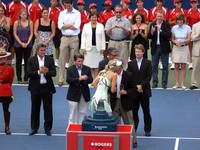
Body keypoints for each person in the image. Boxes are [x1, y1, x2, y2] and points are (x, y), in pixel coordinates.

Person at [27, 43, 56, 136]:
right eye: (41, 50)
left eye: (44, 50)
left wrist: (47, 72)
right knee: (35, 108)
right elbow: (28, 73)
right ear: (37, 51)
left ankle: (48, 128)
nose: (43, 52)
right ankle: (34, 128)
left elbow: (54, 72)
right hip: (35, 88)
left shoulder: (50, 59)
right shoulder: (31, 60)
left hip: (47, 88)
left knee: (48, 108)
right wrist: (39, 72)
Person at [109, 59, 137, 148]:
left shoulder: (128, 75)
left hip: (126, 102)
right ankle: (117, 141)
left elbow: (134, 89)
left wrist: (126, 92)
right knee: (115, 123)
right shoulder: (110, 75)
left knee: (129, 123)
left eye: (115, 66)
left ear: (119, 66)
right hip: (115, 102)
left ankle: (133, 141)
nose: (113, 67)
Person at [127, 44, 152, 138]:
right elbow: (130, 77)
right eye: (136, 51)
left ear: (143, 52)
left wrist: (141, 86)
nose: (137, 53)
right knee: (134, 112)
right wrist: (136, 86)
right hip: (134, 92)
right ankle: (134, 129)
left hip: (144, 91)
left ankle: (147, 129)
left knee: (146, 111)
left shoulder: (148, 63)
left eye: (139, 51)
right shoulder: (131, 63)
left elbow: (148, 77)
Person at [57, 0, 81, 86]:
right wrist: (71, 24)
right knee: (62, 59)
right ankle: (61, 79)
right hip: (64, 38)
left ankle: (72, 79)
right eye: (66, 4)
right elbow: (60, 26)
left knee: (73, 60)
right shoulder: (62, 13)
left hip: (74, 38)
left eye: (69, 4)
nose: (68, 6)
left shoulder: (77, 13)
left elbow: (76, 26)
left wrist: (65, 25)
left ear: (72, 4)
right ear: (65, 5)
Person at [66, 53, 93, 124]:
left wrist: (86, 79)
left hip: (84, 94)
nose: (80, 63)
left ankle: (81, 128)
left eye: (81, 61)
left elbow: (91, 79)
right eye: (78, 61)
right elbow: (68, 80)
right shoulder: (70, 69)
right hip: (73, 94)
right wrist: (79, 79)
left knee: (83, 112)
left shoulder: (87, 68)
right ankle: (72, 129)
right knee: (73, 114)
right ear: (75, 61)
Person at [148, 10, 171, 89]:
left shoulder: (167, 25)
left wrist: (160, 31)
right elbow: (149, 36)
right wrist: (152, 31)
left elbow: (168, 35)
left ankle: (164, 83)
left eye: (161, 16)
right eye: (158, 16)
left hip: (164, 47)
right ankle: (155, 82)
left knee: (165, 66)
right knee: (154, 66)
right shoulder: (152, 24)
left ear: (163, 17)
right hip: (155, 47)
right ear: (156, 16)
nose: (159, 18)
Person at [105, 4, 131, 69]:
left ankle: (122, 76)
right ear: (114, 12)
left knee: (123, 61)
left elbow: (128, 33)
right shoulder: (110, 20)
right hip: (112, 42)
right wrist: (111, 28)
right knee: (111, 61)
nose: (118, 13)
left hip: (122, 42)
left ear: (122, 12)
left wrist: (123, 28)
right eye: (117, 12)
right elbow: (107, 33)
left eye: (120, 12)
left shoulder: (126, 21)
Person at [81, 13, 105, 78]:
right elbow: (83, 37)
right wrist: (83, 47)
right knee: (88, 66)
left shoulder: (101, 26)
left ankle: (96, 81)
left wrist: (103, 48)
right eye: (92, 17)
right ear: (90, 18)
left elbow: (103, 37)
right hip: (88, 49)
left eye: (95, 17)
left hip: (98, 49)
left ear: (97, 18)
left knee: (97, 66)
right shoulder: (85, 26)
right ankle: (89, 81)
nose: (94, 19)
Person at [13, 8, 33, 84]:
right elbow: (15, 34)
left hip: (28, 44)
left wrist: (27, 43)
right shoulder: (16, 23)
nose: (24, 16)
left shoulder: (30, 22)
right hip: (18, 44)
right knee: (18, 61)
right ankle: (19, 78)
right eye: (23, 14)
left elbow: (31, 34)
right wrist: (21, 43)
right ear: (20, 15)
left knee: (27, 61)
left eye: (25, 14)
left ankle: (26, 78)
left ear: (27, 15)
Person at [171, 14, 191, 89]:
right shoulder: (174, 28)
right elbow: (172, 39)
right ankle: (177, 83)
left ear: (183, 20)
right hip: (176, 48)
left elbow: (189, 39)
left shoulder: (188, 28)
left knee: (183, 66)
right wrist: (176, 42)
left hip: (184, 48)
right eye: (178, 20)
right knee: (176, 66)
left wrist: (182, 41)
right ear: (176, 21)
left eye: (181, 20)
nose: (180, 21)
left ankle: (182, 83)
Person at [6, 0, 27, 65]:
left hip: (22, 26)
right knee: (12, 44)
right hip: (12, 27)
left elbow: (27, 15)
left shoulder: (24, 4)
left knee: (23, 41)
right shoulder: (9, 5)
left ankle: (23, 59)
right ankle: (12, 59)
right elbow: (7, 16)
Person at [169, 0, 187, 70]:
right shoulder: (171, 12)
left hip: (182, 32)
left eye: (180, 2)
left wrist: (180, 22)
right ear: (174, 4)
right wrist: (177, 20)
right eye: (177, 3)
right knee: (173, 47)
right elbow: (169, 23)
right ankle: (174, 62)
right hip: (174, 31)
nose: (179, 4)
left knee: (182, 47)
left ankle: (181, 62)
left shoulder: (184, 11)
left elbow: (185, 22)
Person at [0, 47, 14, 135]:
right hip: (4, 89)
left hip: (5, 91)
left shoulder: (10, 68)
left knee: (6, 110)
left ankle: (7, 126)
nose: (2, 59)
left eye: (3, 58)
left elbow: (11, 80)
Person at [49, 0, 63, 67]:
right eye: (53, 1)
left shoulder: (59, 9)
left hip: (58, 29)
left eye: (56, 1)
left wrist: (61, 3)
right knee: (49, 46)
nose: (54, 2)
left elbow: (66, 11)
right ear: (50, 1)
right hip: (49, 29)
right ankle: (48, 60)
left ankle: (57, 60)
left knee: (58, 46)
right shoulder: (48, 10)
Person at [186, 0, 200, 70]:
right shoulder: (188, 11)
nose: (193, 4)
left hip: (198, 32)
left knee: (198, 47)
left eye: (195, 2)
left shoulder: (199, 11)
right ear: (190, 4)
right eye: (192, 3)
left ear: (197, 3)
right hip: (191, 32)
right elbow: (185, 22)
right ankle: (191, 62)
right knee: (190, 47)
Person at [189, 20, 200, 90]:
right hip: (197, 50)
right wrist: (198, 35)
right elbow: (192, 38)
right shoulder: (195, 26)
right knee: (195, 67)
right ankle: (194, 83)